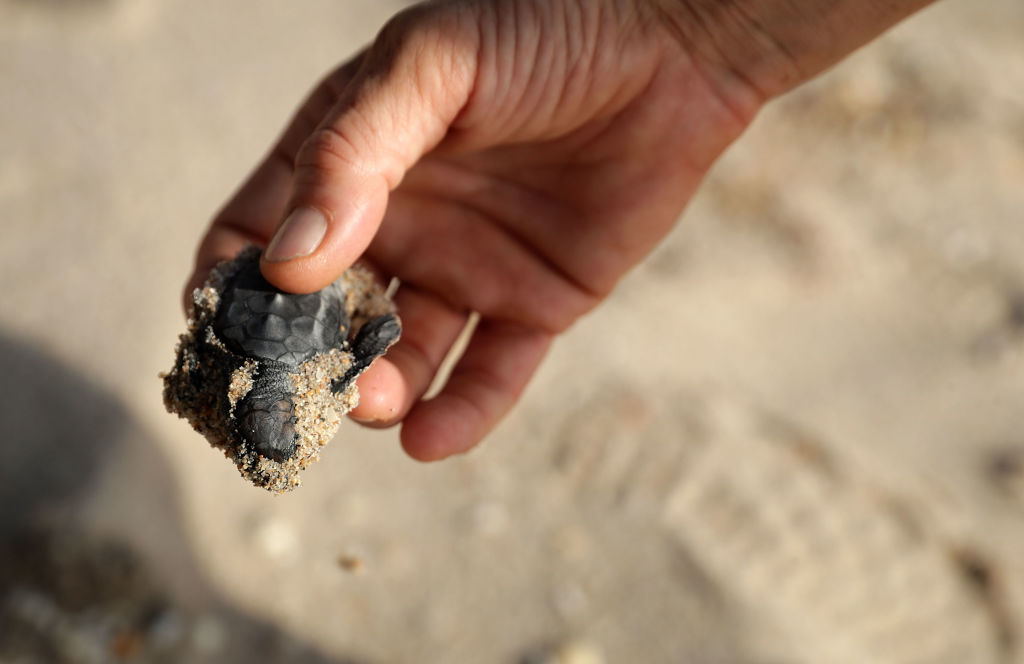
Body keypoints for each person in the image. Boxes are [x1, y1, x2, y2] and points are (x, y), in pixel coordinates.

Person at [185, 0, 936, 461]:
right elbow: (296, 331)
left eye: (269, 427)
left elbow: (278, 321)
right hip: (280, 301)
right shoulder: (316, 373)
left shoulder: (311, 370)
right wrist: (692, 28)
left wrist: (690, 26)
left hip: (285, 293)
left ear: (273, 401)